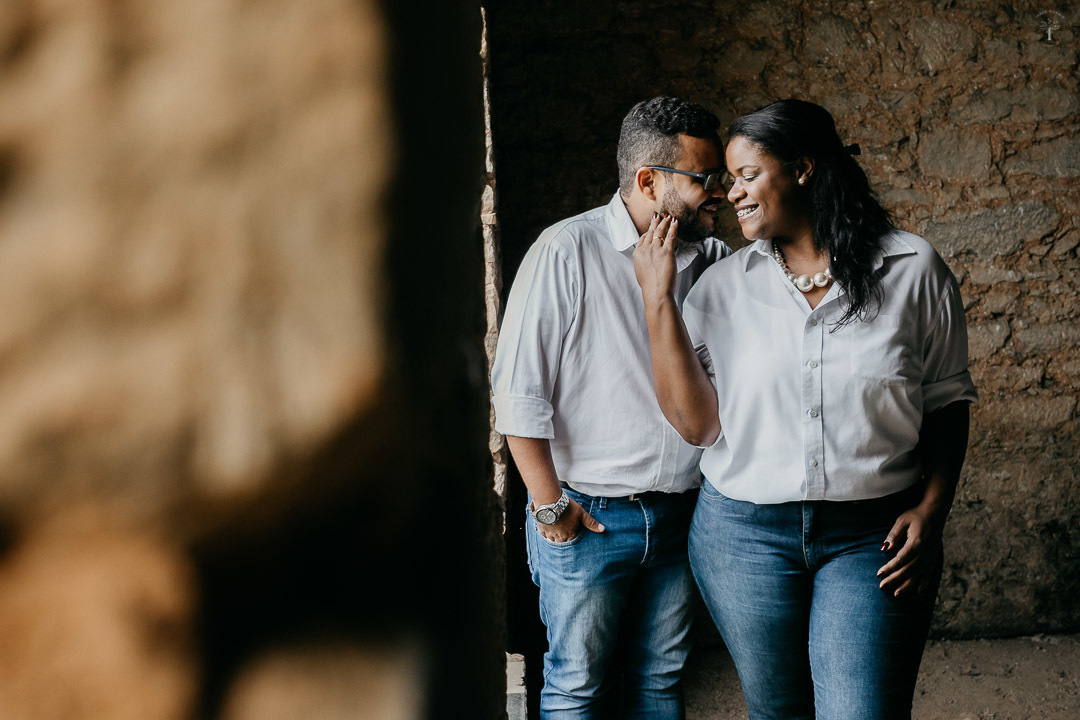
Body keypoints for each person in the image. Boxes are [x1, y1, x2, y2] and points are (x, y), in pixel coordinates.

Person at [632, 99, 977, 719]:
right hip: (742, 539)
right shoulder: (720, 288)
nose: (729, 193)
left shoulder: (911, 268)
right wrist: (659, 299)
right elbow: (697, 426)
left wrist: (933, 507)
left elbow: (949, 398)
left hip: (873, 535)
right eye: (724, 179)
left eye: (745, 175)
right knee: (779, 711)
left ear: (804, 169)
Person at [490, 96, 731, 718]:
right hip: (587, 519)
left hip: (683, 517)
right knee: (578, 687)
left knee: (660, 684)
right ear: (649, 181)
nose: (720, 192)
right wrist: (551, 509)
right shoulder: (565, 251)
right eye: (705, 179)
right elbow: (519, 396)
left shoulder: (713, 260)